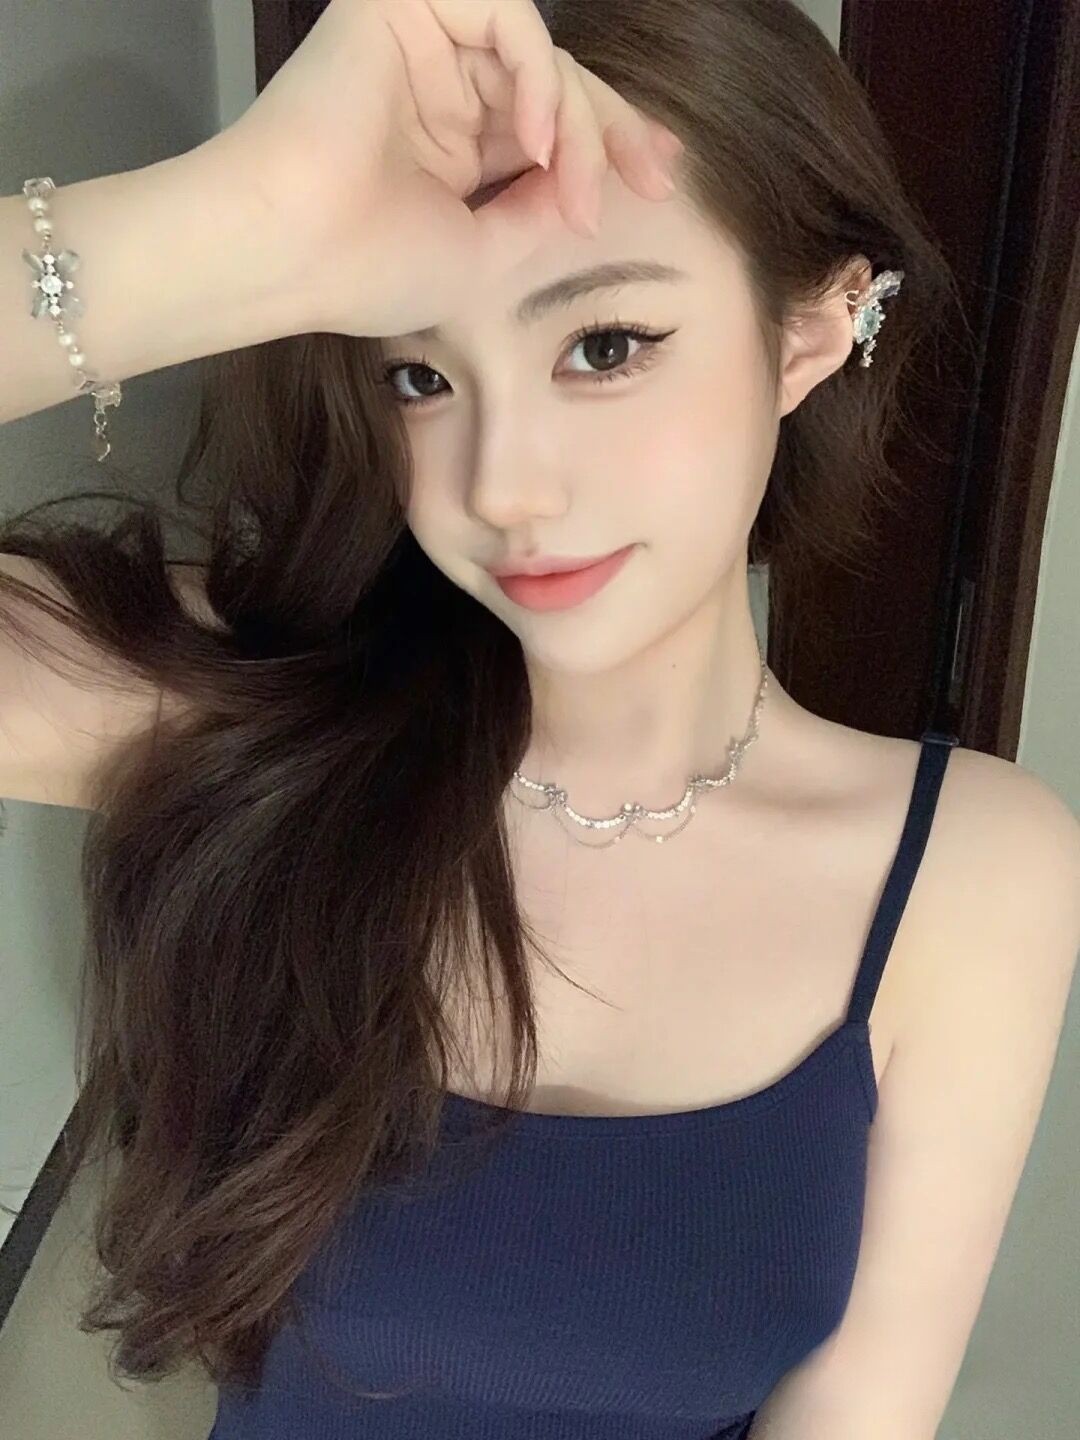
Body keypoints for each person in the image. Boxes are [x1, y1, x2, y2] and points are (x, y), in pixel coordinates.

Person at [1, 2, 1077, 1437]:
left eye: (606, 344)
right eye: (420, 375)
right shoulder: (238, 718)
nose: (501, 483)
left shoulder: (970, 872)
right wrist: (221, 229)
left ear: (814, 329)